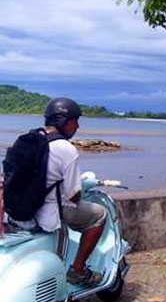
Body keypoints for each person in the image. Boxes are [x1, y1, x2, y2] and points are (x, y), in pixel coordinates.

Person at [6, 97, 106, 285]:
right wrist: (79, 187)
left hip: (18, 209)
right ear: (63, 121)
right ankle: (77, 269)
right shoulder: (66, 149)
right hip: (49, 211)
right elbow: (73, 196)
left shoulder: (30, 139)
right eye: (74, 121)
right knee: (100, 215)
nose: (77, 126)